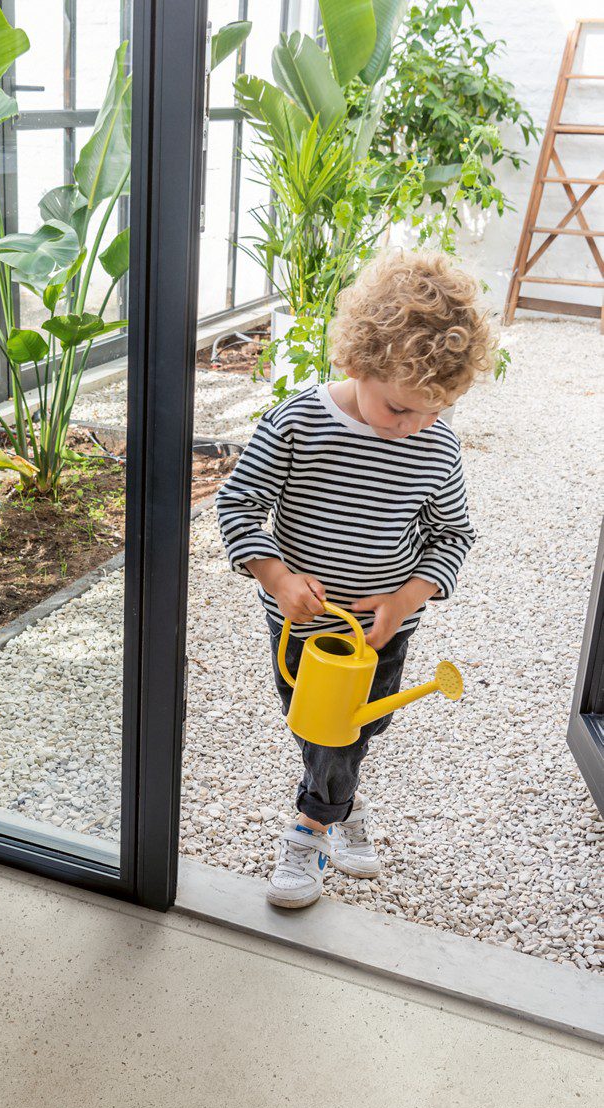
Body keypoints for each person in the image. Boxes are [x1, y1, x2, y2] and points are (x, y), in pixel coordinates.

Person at [215, 248, 497, 908]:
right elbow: (237, 505)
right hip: (301, 623)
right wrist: (277, 578)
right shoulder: (297, 423)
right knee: (318, 727)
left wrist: (406, 598)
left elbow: (453, 535)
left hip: (381, 631)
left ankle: (323, 814)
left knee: (349, 731)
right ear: (357, 361)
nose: (412, 429)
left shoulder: (435, 445)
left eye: (433, 412)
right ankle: (327, 813)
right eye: (399, 409)